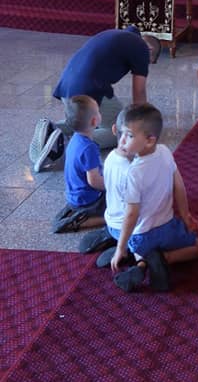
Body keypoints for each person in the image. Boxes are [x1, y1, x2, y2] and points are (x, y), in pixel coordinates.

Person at [30, 26, 160, 171]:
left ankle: (52, 129)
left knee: (82, 121)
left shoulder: (118, 35)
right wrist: (142, 125)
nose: (145, 65)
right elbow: (139, 92)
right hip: (89, 88)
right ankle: (64, 146)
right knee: (118, 130)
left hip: (67, 84)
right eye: (149, 62)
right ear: (150, 50)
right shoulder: (141, 48)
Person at [110, 103, 198, 292]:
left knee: (136, 244)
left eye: (129, 135)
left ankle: (140, 258)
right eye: (122, 133)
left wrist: (120, 247)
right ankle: (164, 258)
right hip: (167, 228)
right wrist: (185, 216)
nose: (122, 140)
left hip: (140, 236)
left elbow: (131, 214)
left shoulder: (133, 172)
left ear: (149, 140)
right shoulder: (165, 152)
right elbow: (179, 187)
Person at [79, 107, 130, 258]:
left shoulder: (110, 158)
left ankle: (113, 235)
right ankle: (131, 251)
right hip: (134, 229)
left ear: (114, 129)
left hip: (112, 222)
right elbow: (135, 212)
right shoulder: (140, 166)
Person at [52, 95, 106, 234]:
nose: (100, 113)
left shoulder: (76, 139)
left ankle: (77, 213)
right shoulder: (89, 148)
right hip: (88, 200)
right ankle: (83, 220)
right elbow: (94, 182)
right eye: (98, 111)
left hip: (75, 195)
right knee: (121, 207)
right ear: (94, 121)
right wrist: (111, 186)